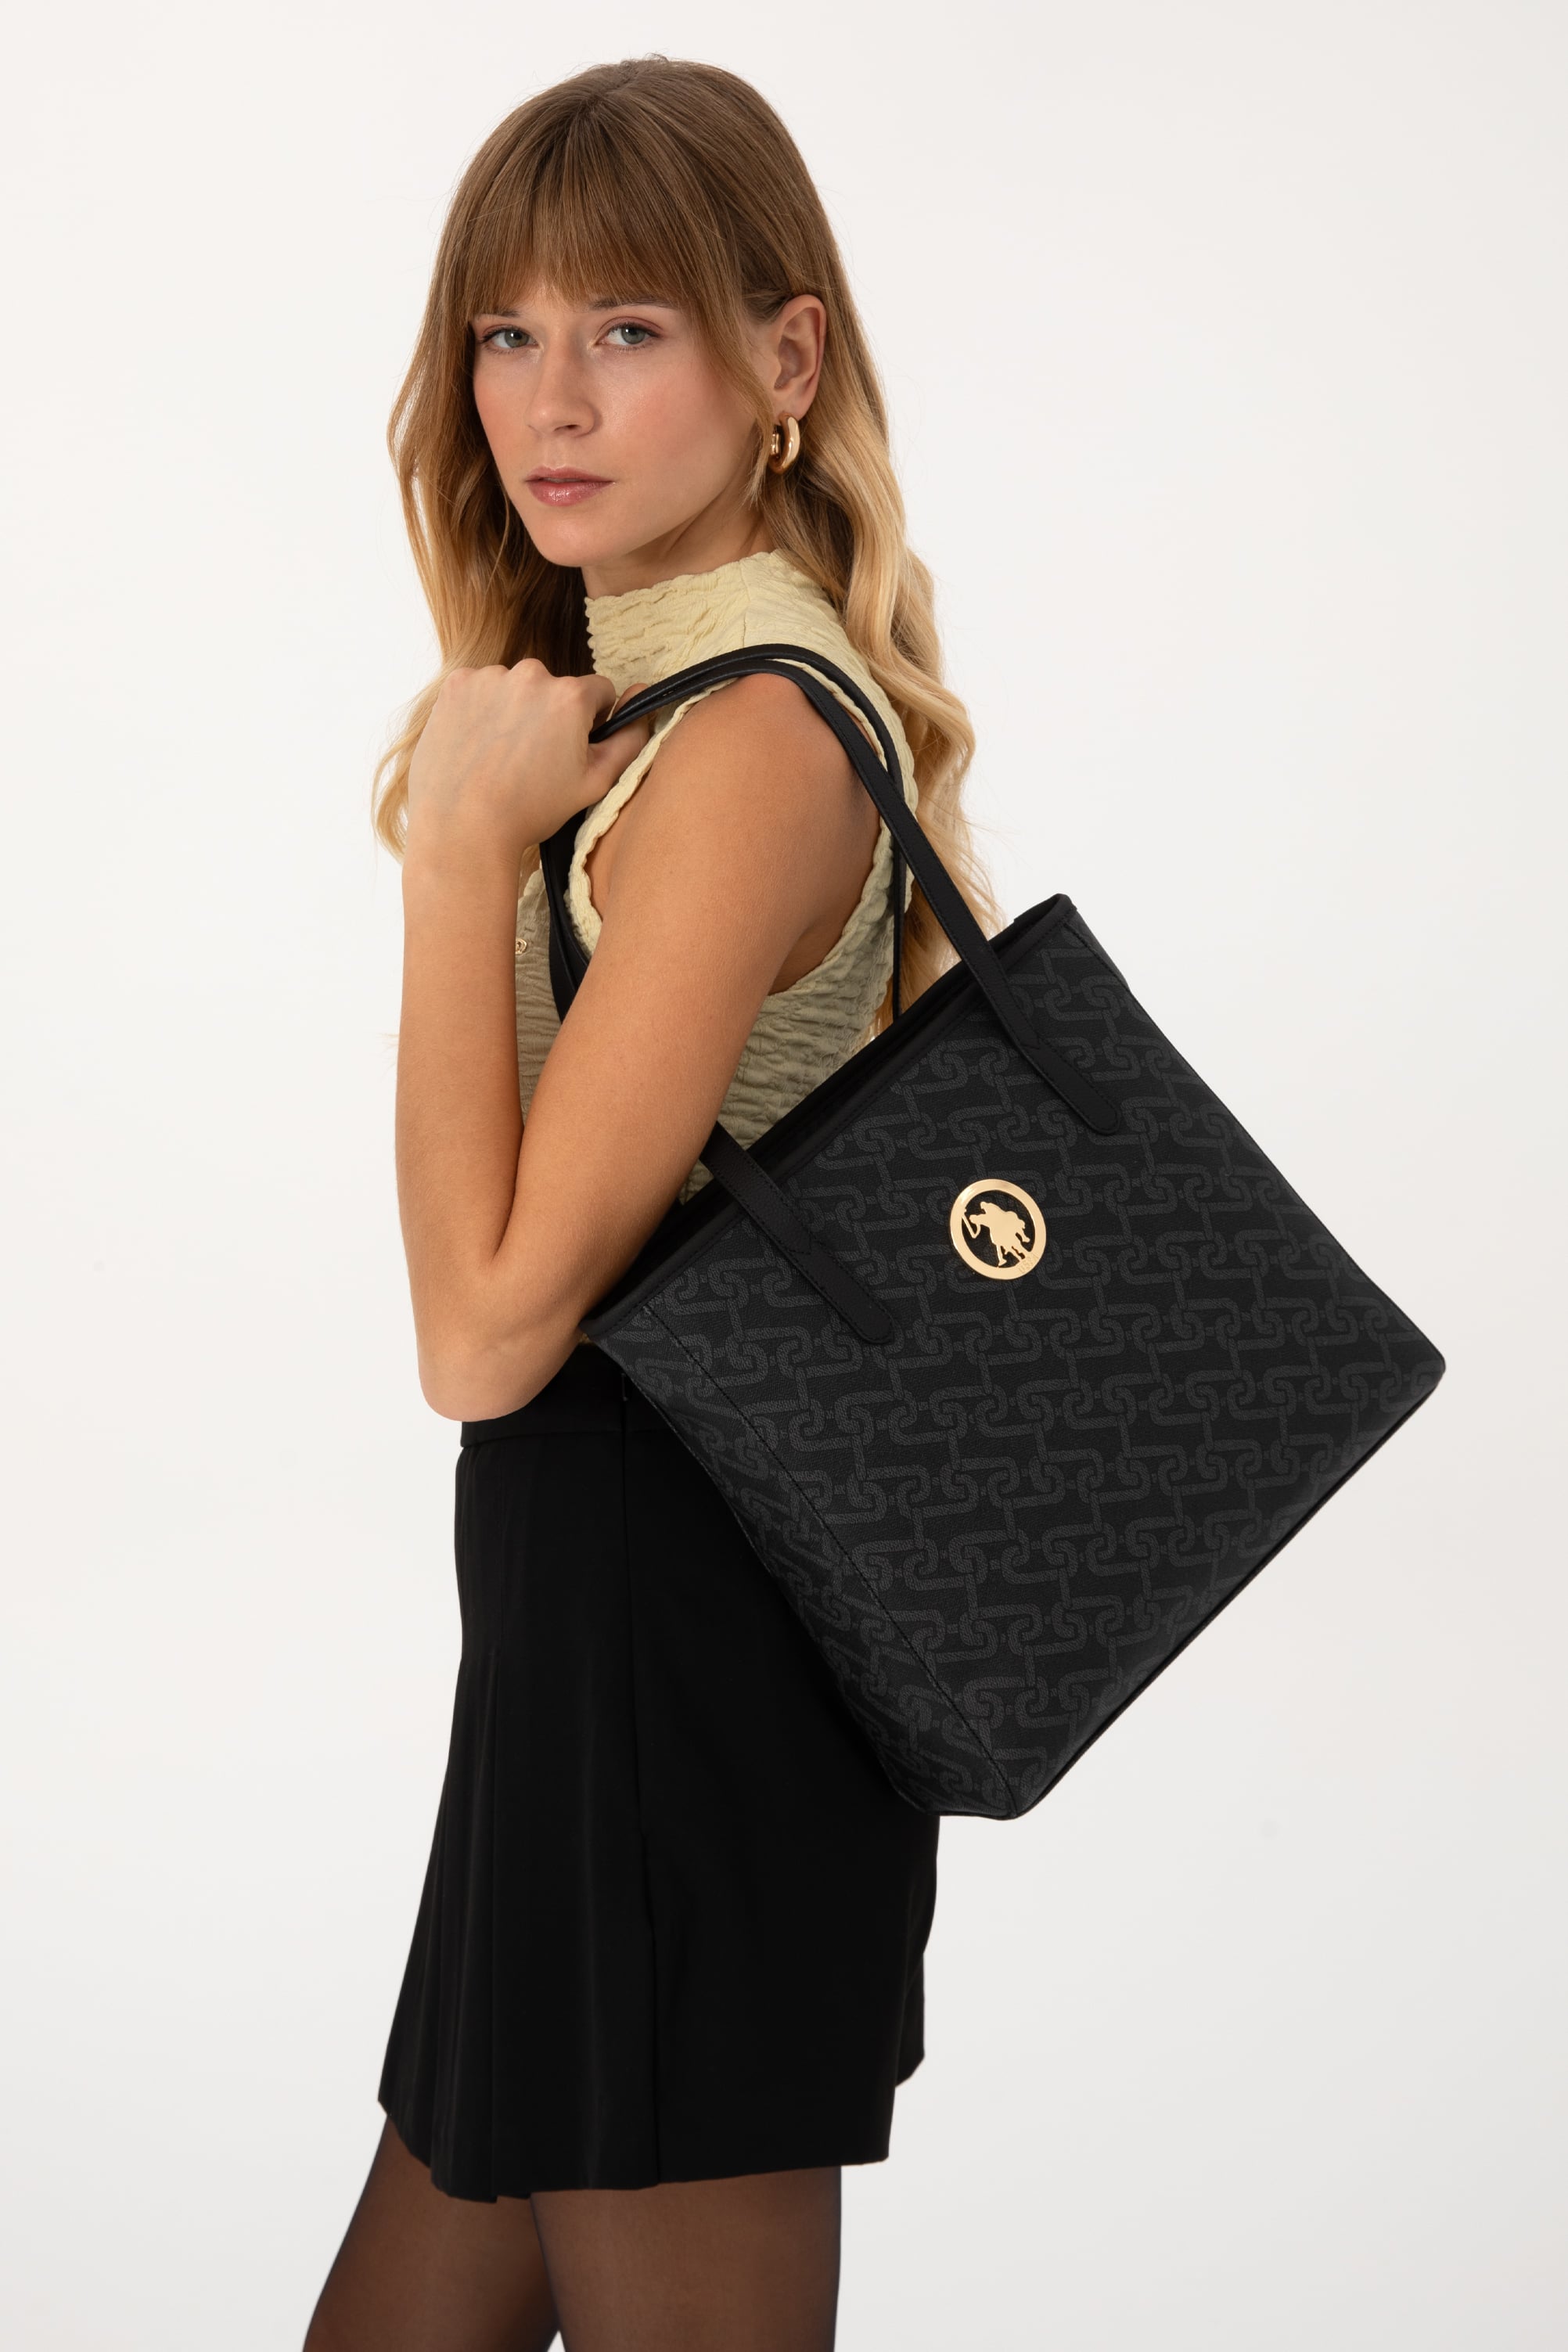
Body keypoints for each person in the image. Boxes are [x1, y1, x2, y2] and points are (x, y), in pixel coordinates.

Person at [304, 56, 1004, 2352]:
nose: (552, 397)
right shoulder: (614, 716)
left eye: (628, 327)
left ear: (786, 360)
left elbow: (488, 1334)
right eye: (506, 334)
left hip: (684, 1649)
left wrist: (453, 861)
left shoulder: (757, 744)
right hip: (587, 1632)